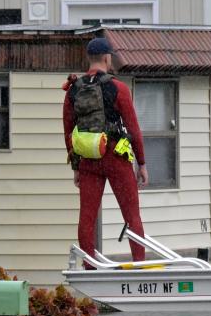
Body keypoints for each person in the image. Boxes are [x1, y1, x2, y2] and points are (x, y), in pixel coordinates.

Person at [63, 36, 149, 262]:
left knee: (87, 217)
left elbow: (68, 131)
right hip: (114, 155)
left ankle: (89, 267)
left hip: (88, 158)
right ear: (106, 57)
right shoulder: (118, 88)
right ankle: (139, 264)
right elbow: (133, 128)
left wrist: (76, 167)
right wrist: (141, 163)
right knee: (132, 215)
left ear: (89, 58)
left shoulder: (73, 90)